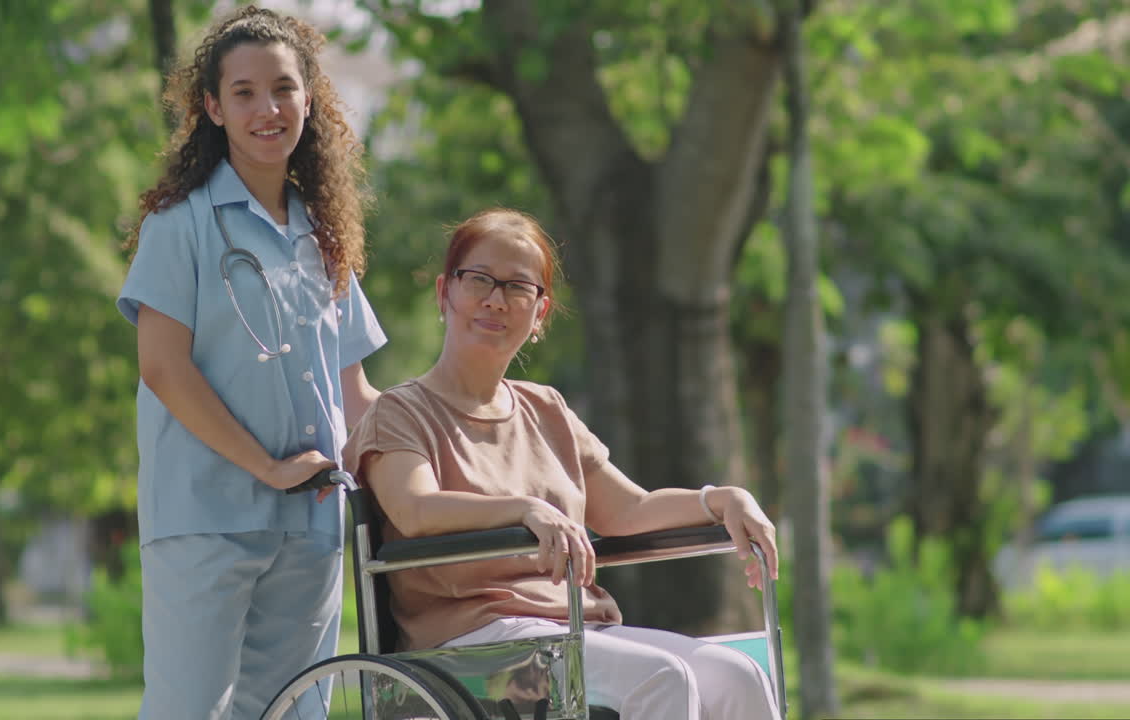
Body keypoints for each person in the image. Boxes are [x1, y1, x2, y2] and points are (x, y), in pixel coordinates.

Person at [343, 208, 780, 720]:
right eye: (478, 279)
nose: (495, 299)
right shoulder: (401, 411)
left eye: (517, 288)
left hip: (572, 628)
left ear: (540, 314)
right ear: (445, 293)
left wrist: (721, 498)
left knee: (737, 674)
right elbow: (415, 508)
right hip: (472, 643)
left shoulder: (545, 408)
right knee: (662, 678)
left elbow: (629, 510)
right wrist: (525, 509)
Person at [117, 6, 386, 719]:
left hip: (313, 524)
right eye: (243, 92)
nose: (267, 108)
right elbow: (164, 369)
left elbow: (354, 390)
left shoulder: (324, 241)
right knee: (191, 710)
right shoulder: (180, 227)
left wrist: (412, 477)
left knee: (296, 710)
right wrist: (266, 468)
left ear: (308, 98)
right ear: (212, 107)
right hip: (207, 519)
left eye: (283, 88)